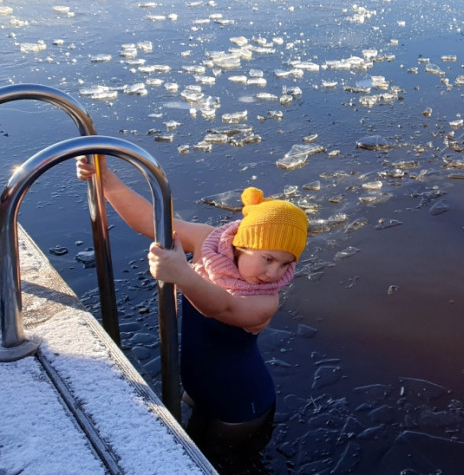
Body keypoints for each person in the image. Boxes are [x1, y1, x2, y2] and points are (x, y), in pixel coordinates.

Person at [76, 156, 308, 436]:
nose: (274, 273)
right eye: (268, 259)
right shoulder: (207, 243)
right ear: (241, 244)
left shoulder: (265, 300)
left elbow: (223, 308)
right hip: (196, 388)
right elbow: (149, 222)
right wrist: (105, 179)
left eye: (286, 264)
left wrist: (182, 274)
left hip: (240, 406)